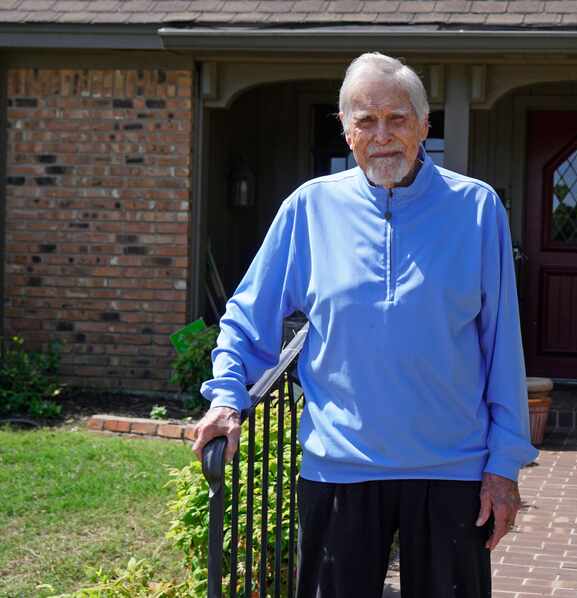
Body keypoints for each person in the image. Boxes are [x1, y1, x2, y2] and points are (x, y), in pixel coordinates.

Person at [191, 52, 538, 598]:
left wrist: (504, 466)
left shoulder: (476, 209)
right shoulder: (309, 209)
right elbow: (246, 316)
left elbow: (502, 347)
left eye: (398, 119)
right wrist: (226, 399)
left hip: (452, 471)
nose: (382, 135)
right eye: (366, 120)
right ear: (347, 131)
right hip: (340, 469)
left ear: (425, 126)